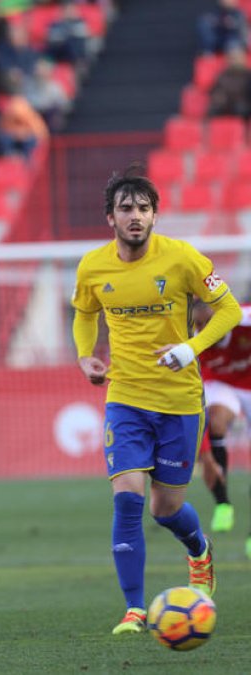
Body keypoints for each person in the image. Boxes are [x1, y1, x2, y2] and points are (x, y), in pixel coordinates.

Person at [71, 166, 242, 635]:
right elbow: (85, 314)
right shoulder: (93, 266)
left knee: (164, 509)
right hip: (124, 397)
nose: (135, 216)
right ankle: (134, 608)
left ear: (155, 216)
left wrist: (190, 348)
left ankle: (199, 549)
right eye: (126, 208)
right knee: (127, 497)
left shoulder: (182, 258)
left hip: (181, 401)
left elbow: (228, 309)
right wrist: (86, 356)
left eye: (144, 209)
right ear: (111, 217)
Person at [191, 300, 251, 556]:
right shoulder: (189, 341)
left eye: (209, 323)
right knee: (213, 420)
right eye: (198, 324)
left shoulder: (244, 320)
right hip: (220, 384)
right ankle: (223, 503)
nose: (204, 329)